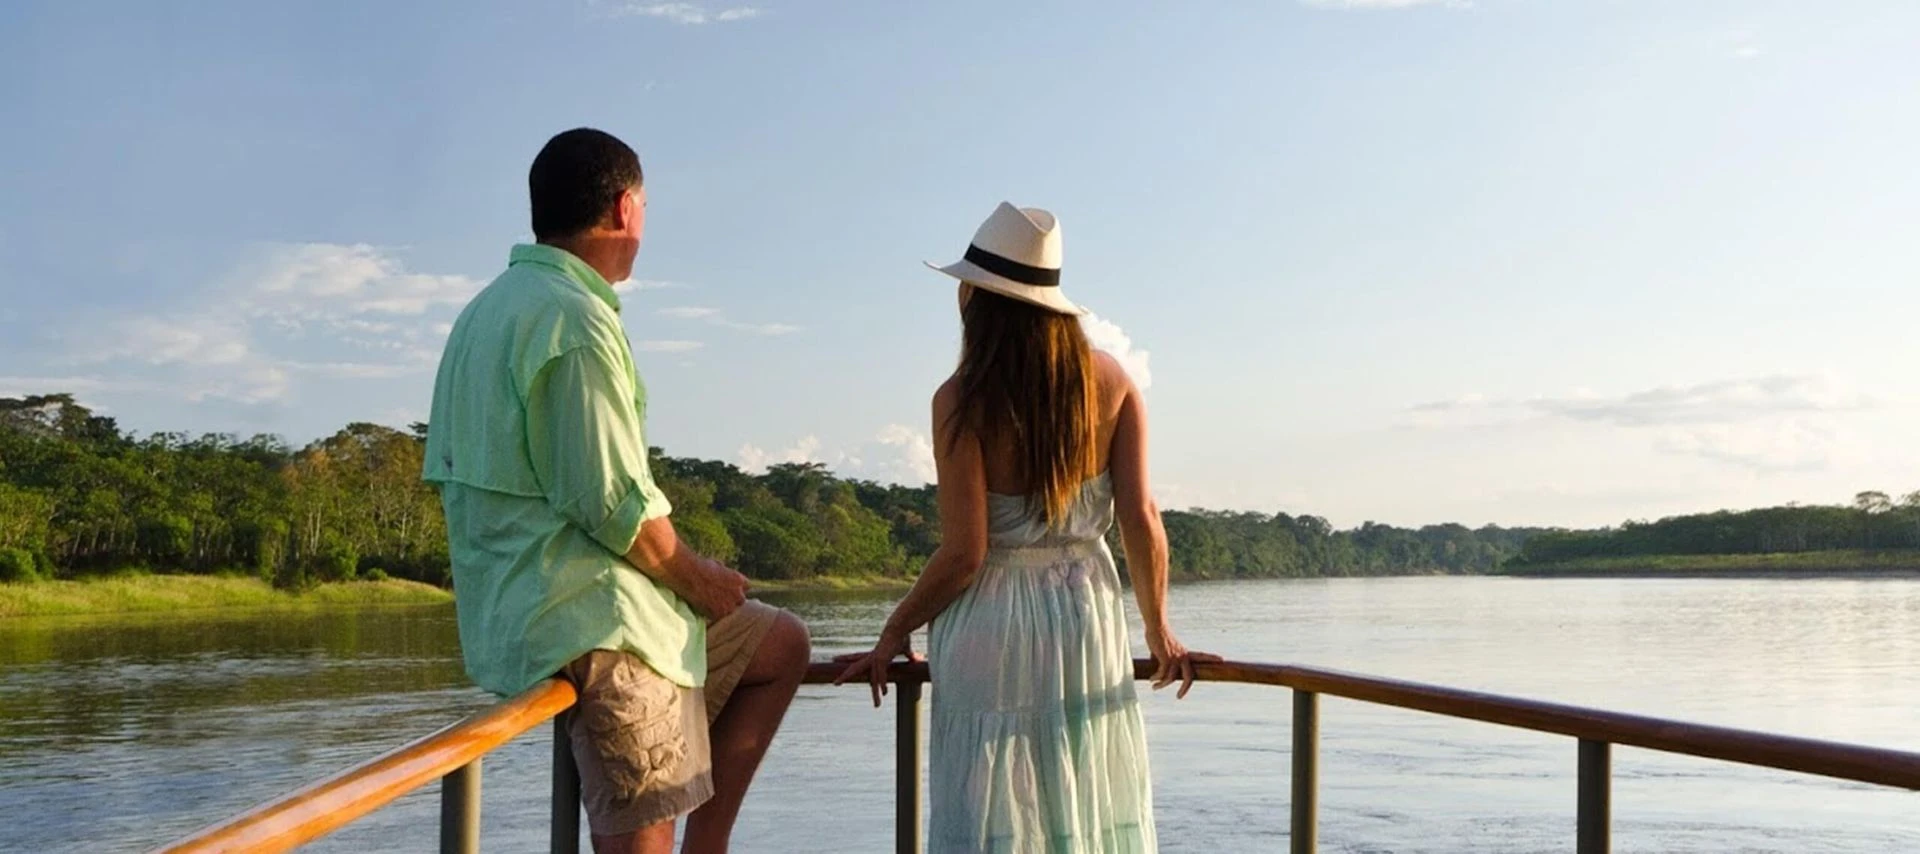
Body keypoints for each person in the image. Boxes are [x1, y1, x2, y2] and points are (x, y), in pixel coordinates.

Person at [423, 128, 810, 854]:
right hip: (597, 624)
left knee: (779, 644)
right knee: (640, 841)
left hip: (529, 617)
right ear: (626, 209)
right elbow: (610, 502)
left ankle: (710, 844)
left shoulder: (486, 310)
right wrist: (701, 581)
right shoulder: (573, 318)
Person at [835, 202, 1219, 852]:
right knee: (1082, 791)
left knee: (993, 809)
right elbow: (1141, 517)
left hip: (992, 626)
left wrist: (894, 630)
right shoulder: (1113, 381)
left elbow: (965, 553)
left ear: (979, 298)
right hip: (1086, 623)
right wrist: (1158, 628)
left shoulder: (961, 398)